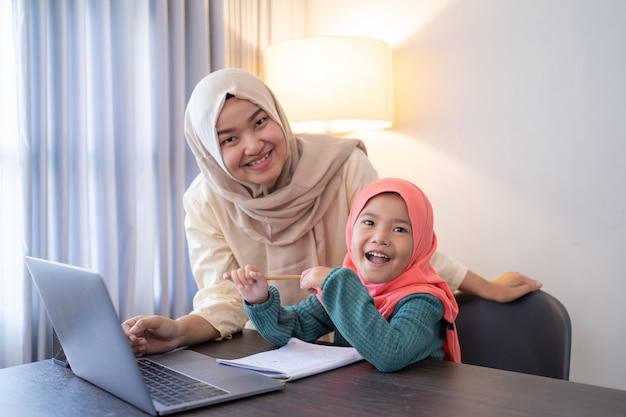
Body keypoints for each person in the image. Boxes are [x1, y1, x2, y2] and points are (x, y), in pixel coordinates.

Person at [122, 68, 541, 357]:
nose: (253, 145)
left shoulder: (342, 165)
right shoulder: (204, 200)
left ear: (278, 116)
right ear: (210, 152)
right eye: (228, 139)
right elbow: (224, 299)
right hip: (274, 362)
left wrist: (488, 287)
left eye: (260, 121)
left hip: (360, 360)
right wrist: (178, 333)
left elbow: (405, 249)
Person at [225, 178, 461, 372]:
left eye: (399, 229)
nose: (380, 237)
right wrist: (260, 301)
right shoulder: (348, 286)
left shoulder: (424, 301)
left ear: (420, 242)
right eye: (368, 222)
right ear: (351, 230)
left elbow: (392, 354)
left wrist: (336, 283)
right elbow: (292, 331)